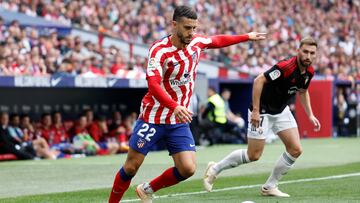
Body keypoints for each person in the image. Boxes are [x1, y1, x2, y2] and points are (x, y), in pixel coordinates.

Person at [108, 5, 266, 203]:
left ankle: (147, 189)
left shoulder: (197, 43)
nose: (192, 33)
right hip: (153, 117)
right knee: (131, 167)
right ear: (174, 25)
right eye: (187, 28)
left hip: (178, 119)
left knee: (188, 169)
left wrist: (246, 36)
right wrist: (174, 106)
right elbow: (153, 85)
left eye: (194, 28)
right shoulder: (159, 51)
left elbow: (217, 40)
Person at [203, 37, 321, 197]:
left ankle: (270, 186)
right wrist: (257, 111)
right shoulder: (285, 67)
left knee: (295, 149)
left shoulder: (309, 72)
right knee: (254, 155)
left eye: (312, 53)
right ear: (298, 51)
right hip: (262, 111)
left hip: (281, 111)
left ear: (316, 55)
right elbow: (259, 80)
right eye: (305, 51)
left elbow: (303, 91)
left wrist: (311, 115)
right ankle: (215, 169)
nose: (308, 56)